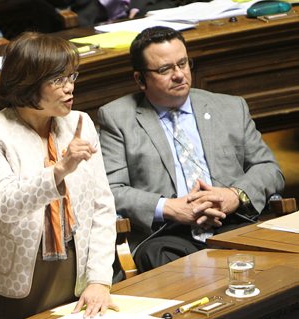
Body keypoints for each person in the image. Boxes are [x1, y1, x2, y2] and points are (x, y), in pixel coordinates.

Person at [0, 31, 118, 319]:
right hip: (14, 278)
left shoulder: (80, 123)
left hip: (75, 266)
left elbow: (102, 206)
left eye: (71, 76)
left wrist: (99, 279)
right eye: (57, 80)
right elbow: (2, 204)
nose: (69, 87)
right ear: (27, 83)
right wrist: (60, 170)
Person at [98, 26, 284, 273]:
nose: (179, 75)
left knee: (265, 257)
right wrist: (169, 208)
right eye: (165, 69)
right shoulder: (117, 118)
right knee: (161, 262)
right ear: (140, 80)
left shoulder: (230, 108)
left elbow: (269, 169)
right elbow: (111, 190)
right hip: (167, 234)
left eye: (183, 64)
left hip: (233, 222)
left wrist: (234, 195)